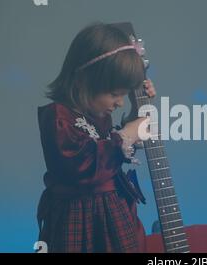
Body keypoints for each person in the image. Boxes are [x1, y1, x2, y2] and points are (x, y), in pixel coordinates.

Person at [36, 22, 156, 252]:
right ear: (84, 80)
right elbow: (83, 165)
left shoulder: (97, 113)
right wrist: (126, 136)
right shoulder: (57, 117)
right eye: (114, 94)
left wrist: (135, 110)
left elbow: (112, 151)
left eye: (123, 95)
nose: (119, 102)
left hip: (111, 215)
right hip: (80, 220)